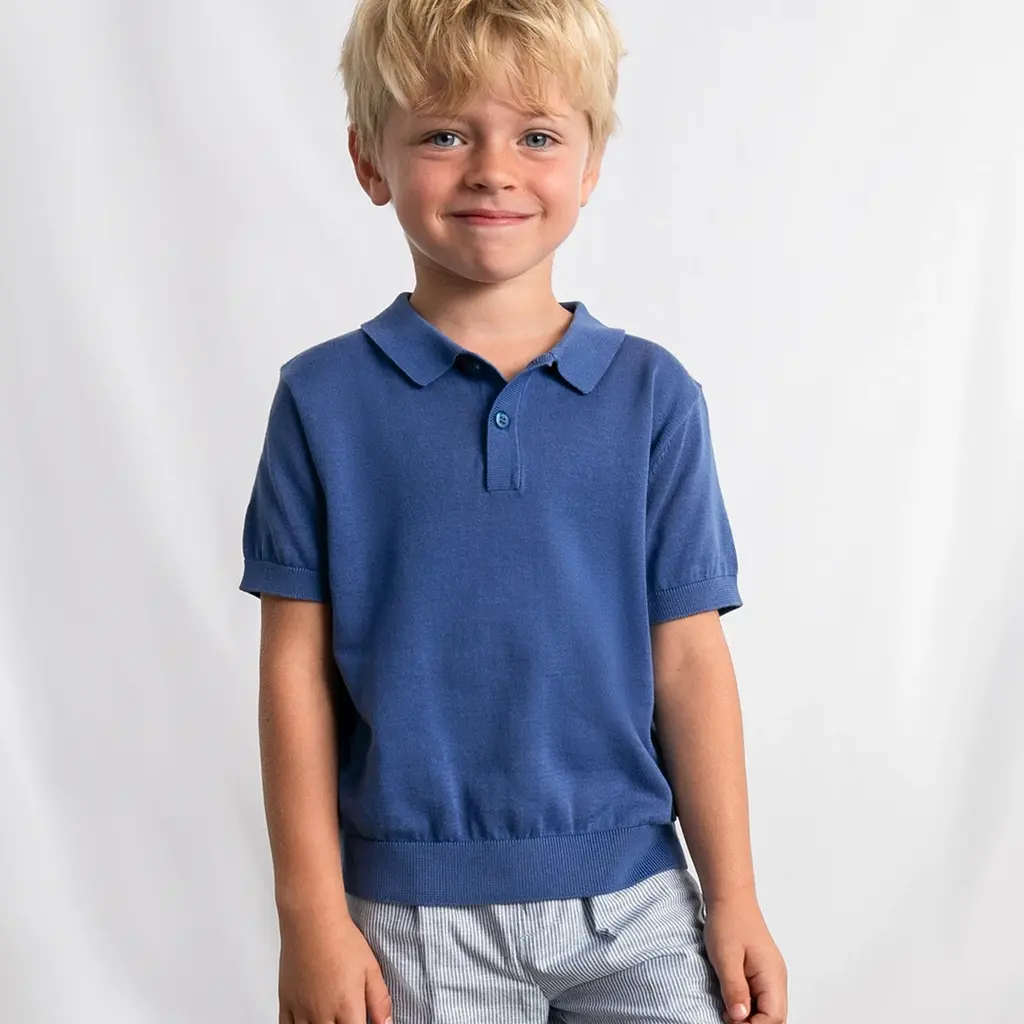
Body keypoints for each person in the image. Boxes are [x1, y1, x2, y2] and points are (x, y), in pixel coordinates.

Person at [238, 0, 788, 1021]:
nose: (493, 170)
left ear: (590, 167)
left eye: (536, 135)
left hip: (639, 902)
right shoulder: (321, 401)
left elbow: (688, 660)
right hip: (411, 920)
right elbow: (293, 675)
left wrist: (736, 896)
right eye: (445, 135)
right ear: (369, 161)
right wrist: (311, 916)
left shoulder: (654, 397)